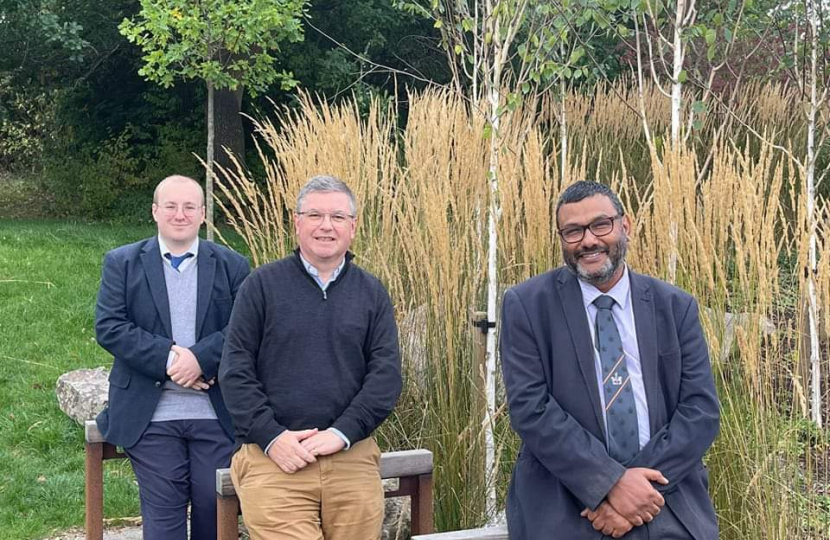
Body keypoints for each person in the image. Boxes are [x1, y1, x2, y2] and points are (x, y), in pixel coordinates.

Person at [500, 180, 720, 540]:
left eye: (601, 225)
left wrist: (637, 492)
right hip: (566, 504)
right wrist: (610, 483)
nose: (588, 240)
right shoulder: (527, 306)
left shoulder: (674, 307)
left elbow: (700, 411)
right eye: (573, 231)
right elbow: (530, 409)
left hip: (666, 499)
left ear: (625, 225)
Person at [219, 174, 402, 540]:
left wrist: (342, 433)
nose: (326, 226)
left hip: (350, 456)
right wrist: (272, 437)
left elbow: (385, 377)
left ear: (353, 227)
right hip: (274, 458)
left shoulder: (371, 292)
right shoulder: (261, 286)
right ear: (297, 223)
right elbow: (235, 371)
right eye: (315, 215)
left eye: (337, 217)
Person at [95, 175, 250, 540]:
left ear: (203, 214)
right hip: (150, 414)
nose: (180, 215)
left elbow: (246, 328)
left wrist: (199, 359)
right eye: (171, 206)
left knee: (214, 505)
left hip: (215, 411)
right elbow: (110, 326)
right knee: (165, 511)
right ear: (155, 211)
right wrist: (170, 361)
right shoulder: (123, 262)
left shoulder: (232, 265)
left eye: (189, 207)